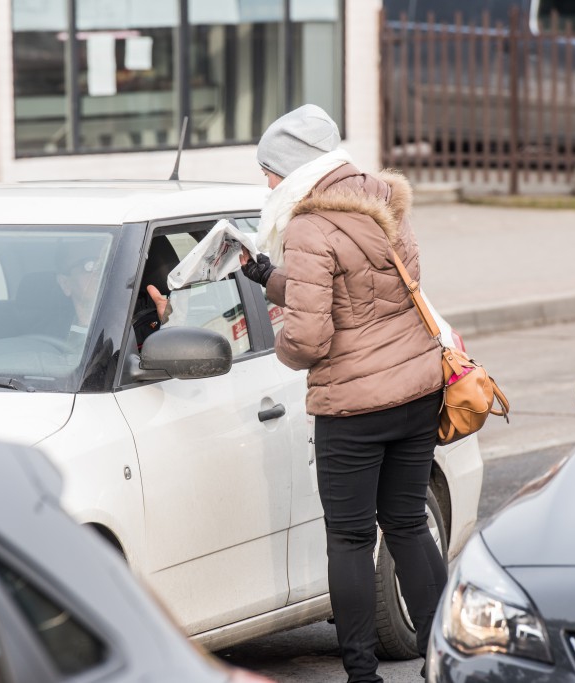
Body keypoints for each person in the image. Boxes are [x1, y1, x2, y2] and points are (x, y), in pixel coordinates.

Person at [240, 104, 445, 683]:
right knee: (406, 523)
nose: (268, 182)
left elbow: (308, 337)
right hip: (415, 391)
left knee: (351, 538)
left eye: (270, 171)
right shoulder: (381, 199)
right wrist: (266, 278)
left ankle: (361, 675)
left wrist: (278, 353)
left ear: (296, 169)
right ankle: (447, 658)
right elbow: (370, 289)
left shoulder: (308, 224)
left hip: (354, 409)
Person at [55, 239, 169, 350]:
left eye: (105, 263)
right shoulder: (50, 334)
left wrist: (167, 325)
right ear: (65, 284)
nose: (100, 272)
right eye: (89, 265)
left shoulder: (143, 326)